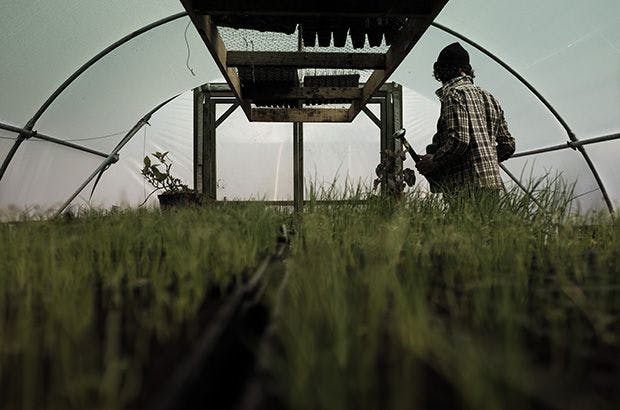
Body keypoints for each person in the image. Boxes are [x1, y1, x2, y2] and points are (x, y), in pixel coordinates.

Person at [415, 42, 516, 205]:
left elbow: (459, 141)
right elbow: (508, 144)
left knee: (462, 230)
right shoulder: (489, 97)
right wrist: (485, 159)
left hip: (466, 188)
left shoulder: (453, 94)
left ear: (440, 72)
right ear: (466, 69)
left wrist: (434, 161)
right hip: (491, 184)